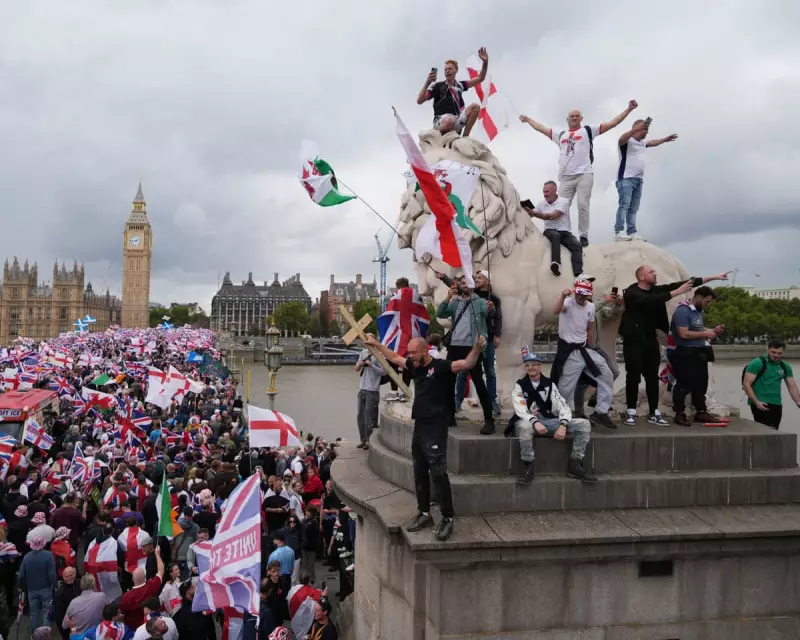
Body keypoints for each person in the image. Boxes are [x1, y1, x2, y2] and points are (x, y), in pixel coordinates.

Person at [364, 332, 485, 541]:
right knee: (419, 470)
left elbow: (466, 363)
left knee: (438, 472)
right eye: (409, 353)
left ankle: (447, 518)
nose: (410, 356)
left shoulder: (440, 366)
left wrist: (477, 348)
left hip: (436, 425)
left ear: (424, 351)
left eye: (413, 352)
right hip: (420, 424)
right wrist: (376, 344)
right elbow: (394, 358)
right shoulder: (414, 365)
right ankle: (425, 513)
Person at [618, 266, 731, 426]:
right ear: (641, 277)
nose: (655, 273)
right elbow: (649, 300)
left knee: (652, 377)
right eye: (651, 272)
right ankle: (631, 411)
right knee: (633, 376)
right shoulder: (631, 293)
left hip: (650, 338)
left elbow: (685, 283)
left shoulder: (655, 290)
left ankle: (654, 412)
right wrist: (677, 292)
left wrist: (714, 277)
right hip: (633, 340)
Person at [519, 100, 638, 246]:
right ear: (567, 119)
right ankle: (563, 233)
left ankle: (583, 235)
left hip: (584, 174)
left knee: (583, 204)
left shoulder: (588, 130)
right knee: (560, 207)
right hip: (566, 178)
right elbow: (542, 128)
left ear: (581, 119)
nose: (574, 118)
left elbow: (612, 123)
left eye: (577, 116)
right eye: (571, 116)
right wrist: (528, 119)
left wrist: (629, 109)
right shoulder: (561, 135)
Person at [509, 348, 596, 485]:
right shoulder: (519, 385)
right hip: (527, 422)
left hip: (548, 421)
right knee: (525, 428)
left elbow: (562, 404)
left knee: (584, 424)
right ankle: (528, 466)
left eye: (533, 364)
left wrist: (563, 424)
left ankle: (575, 464)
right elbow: (520, 408)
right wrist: (534, 422)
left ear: (540, 366)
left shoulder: (550, 384)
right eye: (527, 365)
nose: (530, 367)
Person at [550, 280, 616, 429]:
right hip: (570, 352)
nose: (580, 297)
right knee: (565, 388)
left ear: (588, 296)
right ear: (575, 292)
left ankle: (601, 411)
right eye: (578, 294)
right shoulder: (568, 302)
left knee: (607, 374)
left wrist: (590, 346)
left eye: (583, 295)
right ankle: (557, 415)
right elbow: (555, 310)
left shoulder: (591, 307)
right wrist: (562, 296)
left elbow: (589, 328)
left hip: (585, 349)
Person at [435, 274, 494, 433]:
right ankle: (449, 416)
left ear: (474, 285)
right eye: (463, 283)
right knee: (448, 382)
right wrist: (447, 297)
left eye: (468, 282)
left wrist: (490, 307)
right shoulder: (455, 302)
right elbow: (440, 313)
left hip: (472, 347)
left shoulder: (479, 302)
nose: (465, 285)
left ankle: (489, 420)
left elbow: (488, 311)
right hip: (454, 346)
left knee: (479, 383)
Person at [669, 287, 725, 426]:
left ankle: (701, 411)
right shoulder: (683, 310)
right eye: (707, 301)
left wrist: (713, 331)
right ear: (699, 297)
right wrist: (706, 334)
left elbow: (697, 329)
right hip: (685, 352)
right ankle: (679, 413)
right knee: (683, 384)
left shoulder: (697, 311)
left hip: (699, 351)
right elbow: (683, 333)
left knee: (701, 383)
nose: (708, 304)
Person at [615, 119, 678, 241]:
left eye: (647, 129)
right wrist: (635, 129)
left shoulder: (642, 143)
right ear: (637, 128)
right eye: (644, 128)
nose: (647, 131)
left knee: (634, 208)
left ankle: (632, 231)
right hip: (626, 179)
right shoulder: (627, 142)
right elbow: (620, 139)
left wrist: (664, 140)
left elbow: (652, 142)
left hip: (638, 180)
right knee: (624, 205)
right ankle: (619, 231)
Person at [416, 48, 488, 137]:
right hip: (441, 122)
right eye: (445, 69)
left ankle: (465, 137)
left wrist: (485, 62)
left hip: (456, 121)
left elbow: (480, 78)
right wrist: (427, 83)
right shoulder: (437, 86)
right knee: (448, 120)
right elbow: (419, 100)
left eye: (450, 69)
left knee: (475, 107)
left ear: (456, 70)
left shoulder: (460, 85)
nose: (447, 71)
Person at [524, 181, 584, 278]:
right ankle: (555, 263)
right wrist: (524, 210)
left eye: (547, 192)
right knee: (556, 236)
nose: (545, 194)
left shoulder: (563, 201)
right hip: (550, 231)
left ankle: (578, 274)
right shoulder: (541, 204)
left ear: (555, 190)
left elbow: (552, 216)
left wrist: (534, 213)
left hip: (565, 232)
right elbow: (530, 215)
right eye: (544, 192)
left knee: (577, 245)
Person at [743, 339, 800, 428]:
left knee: (774, 430)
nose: (776, 355)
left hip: (776, 403)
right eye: (773, 352)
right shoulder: (757, 363)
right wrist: (756, 402)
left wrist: (798, 401)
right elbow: (746, 384)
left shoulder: (785, 366)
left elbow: (792, 386)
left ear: (783, 352)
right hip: (760, 402)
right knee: (765, 430)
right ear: (768, 349)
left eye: (779, 353)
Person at [471, 271, 502, 416]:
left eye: (480, 277)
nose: (476, 280)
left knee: (490, 370)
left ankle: (492, 400)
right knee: (467, 371)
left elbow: (498, 317)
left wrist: (497, 334)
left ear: (487, 281)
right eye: (476, 278)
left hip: (488, 337)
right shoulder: (472, 295)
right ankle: (457, 401)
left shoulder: (494, 298)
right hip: (473, 338)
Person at [119, 544, 165, 630]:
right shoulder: (151, 586)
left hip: (133, 630)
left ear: (132, 579)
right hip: (150, 627)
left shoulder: (126, 597)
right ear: (144, 577)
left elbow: (122, 613)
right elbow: (161, 570)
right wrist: (157, 554)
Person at [19, 534, 57, 630]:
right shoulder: (49, 555)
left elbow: (21, 575)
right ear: (43, 544)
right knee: (46, 612)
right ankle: (45, 633)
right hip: (46, 588)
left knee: (33, 613)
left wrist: (23, 587)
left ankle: (34, 633)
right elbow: (52, 574)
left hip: (31, 589)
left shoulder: (26, 557)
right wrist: (55, 585)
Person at [354, 349, 384, 449]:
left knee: (369, 418)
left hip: (372, 389)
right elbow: (356, 369)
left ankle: (369, 441)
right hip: (362, 388)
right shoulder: (363, 352)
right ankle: (363, 440)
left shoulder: (379, 354)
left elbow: (384, 372)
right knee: (360, 417)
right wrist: (361, 363)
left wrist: (372, 365)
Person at [53, 566, 81, 640]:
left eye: (71, 575)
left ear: (75, 574)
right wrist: (65, 633)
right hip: (69, 626)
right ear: (63, 577)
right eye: (66, 576)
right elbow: (59, 616)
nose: (69, 578)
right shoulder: (60, 593)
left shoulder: (80, 585)